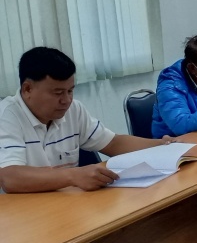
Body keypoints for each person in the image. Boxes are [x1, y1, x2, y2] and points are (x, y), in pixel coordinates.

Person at [0, 47, 174, 193]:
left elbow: (113, 143)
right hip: (21, 213)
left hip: (64, 202)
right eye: (58, 93)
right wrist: (73, 175)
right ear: (27, 89)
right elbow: (9, 177)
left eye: (70, 91)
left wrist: (163, 146)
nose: (66, 100)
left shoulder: (73, 109)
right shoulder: (7, 116)